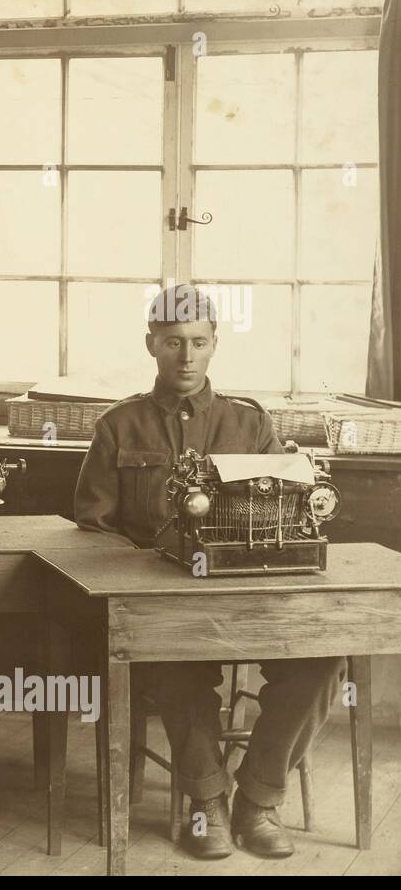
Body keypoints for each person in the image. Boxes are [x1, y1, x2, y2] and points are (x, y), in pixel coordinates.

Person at [73, 282, 346, 860]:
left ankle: (258, 798)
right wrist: (147, 571)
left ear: (215, 343)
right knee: (173, 667)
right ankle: (206, 801)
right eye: (173, 342)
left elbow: (290, 509)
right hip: (162, 602)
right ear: (152, 345)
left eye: (198, 342)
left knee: (324, 659)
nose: (186, 356)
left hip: (248, 596)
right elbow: (92, 525)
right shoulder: (119, 425)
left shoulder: (249, 424)